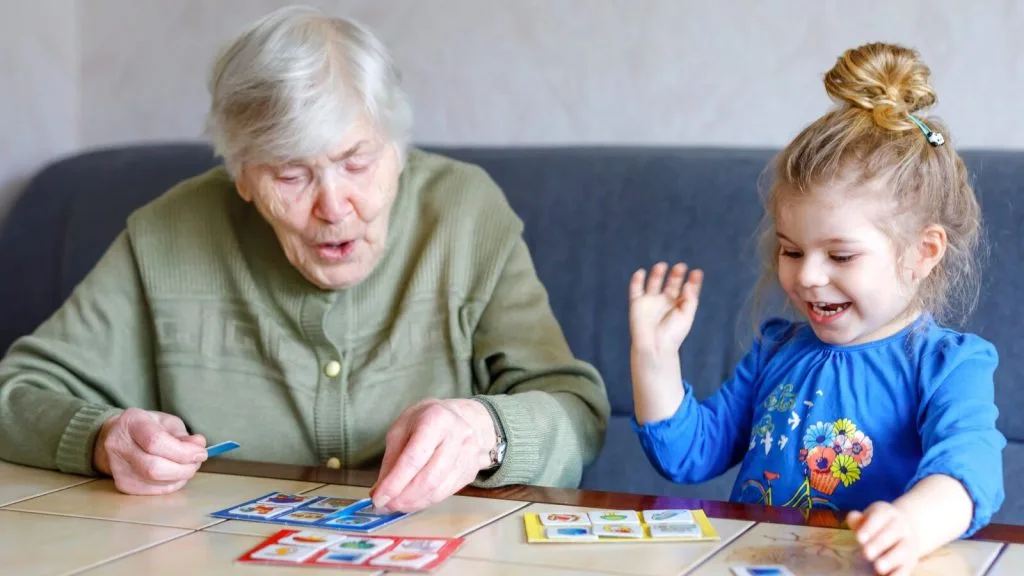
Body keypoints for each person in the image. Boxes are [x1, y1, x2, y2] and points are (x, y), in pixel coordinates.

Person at [0, 5, 610, 514]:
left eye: (356, 162)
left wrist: (487, 432)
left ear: (398, 149)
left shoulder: (466, 214)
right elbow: (17, 392)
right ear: (241, 175)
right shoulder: (167, 235)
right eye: (291, 174)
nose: (333, 206)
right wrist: (103, 440)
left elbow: (575, 413)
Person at [628, 42, 1004, 576]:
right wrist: (654, 358)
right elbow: (689, 455)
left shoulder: (948, 364)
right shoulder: (777, 348)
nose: (806, 276)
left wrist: (913, 525)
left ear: (923, 252)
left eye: (841, 255)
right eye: (791, 250)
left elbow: (972, 468)